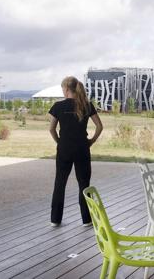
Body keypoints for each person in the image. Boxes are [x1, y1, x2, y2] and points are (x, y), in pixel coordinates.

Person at [48, 76, 103, 227]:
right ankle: (87, 219)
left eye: (62, 89)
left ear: (66, 89)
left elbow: (51, 129)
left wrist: (59, 142)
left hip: (64, 149)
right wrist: (91, 141)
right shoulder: (86, 105)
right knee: (84, 184)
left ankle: (55, 219)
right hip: (82, 149)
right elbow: (100, 126)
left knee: (60, 183)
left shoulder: (57, 106)